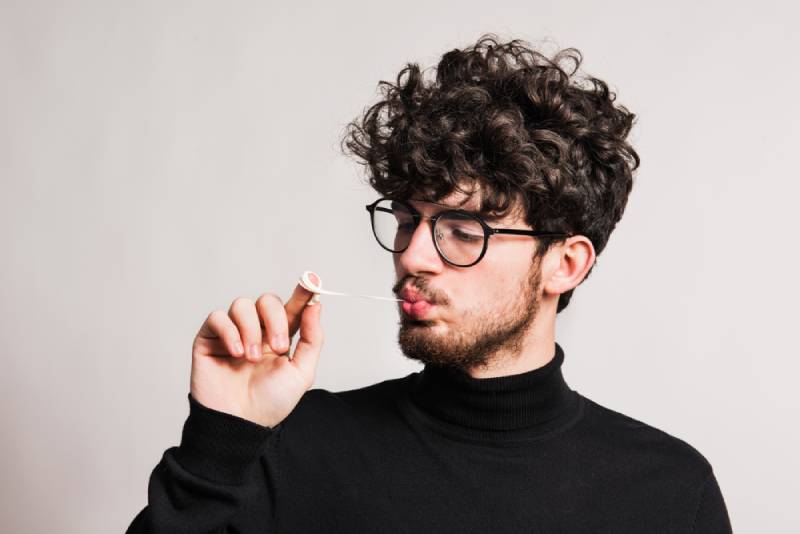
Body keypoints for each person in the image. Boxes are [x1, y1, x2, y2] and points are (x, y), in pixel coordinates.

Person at [126, 34, 733, 533]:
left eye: (464, 230)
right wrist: (221, 439)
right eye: (408, 220)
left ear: (565, 265)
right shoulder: (292, 445)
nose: (413, 255)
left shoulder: (669, 491)